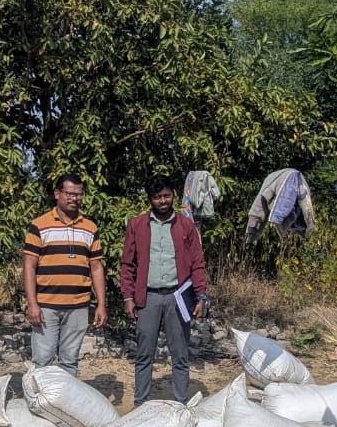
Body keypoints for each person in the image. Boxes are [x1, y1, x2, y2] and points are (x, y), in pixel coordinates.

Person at [120, 175, 208, 405]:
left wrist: (201, 295)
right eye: (157, 197)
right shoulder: (137, 225)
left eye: (167, 195)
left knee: (179, 354)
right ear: (150, 199)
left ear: (173, 196)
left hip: (178, 297)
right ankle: (141, 404)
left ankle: (180, 403)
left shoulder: (185, 226)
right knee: (144, 354)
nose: (163, 201)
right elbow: (127, 264)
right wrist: (128, 296)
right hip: (147, 298)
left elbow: (197, 262)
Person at [23, 172, 107, 375]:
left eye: (78, 194)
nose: (74, 198)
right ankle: (38, 404)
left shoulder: (90, 228)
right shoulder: (39, 226)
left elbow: (96, 268)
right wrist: (32, 304)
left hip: (78, 305)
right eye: (69, 194)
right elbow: (29, 267)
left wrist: (101, 304)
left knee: (70, 361)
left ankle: (65, 405)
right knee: (42, 360)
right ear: (57, 194)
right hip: (46, 306)